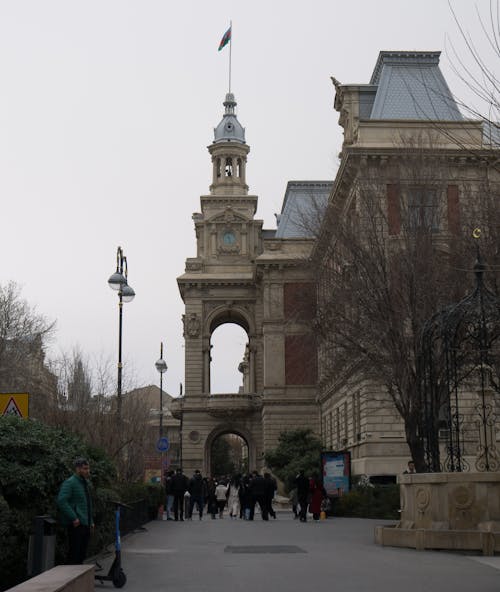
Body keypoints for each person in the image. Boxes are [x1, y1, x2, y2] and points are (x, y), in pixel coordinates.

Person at [57, 457, 94, 564]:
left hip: (85, 524)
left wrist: (91, 521)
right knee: (74, 554)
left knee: (82, 555)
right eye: (85, 469)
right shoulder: (70, 482)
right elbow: (61, 501)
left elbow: (87, 504)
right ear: (78, 469)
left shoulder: (84, 483)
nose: (88, 471)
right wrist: (74, 518)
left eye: (88, 468)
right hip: (76, 525)